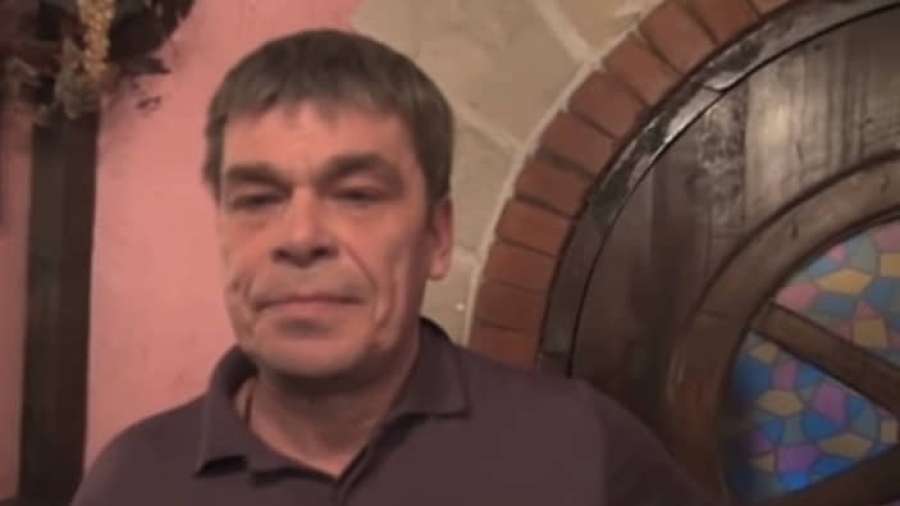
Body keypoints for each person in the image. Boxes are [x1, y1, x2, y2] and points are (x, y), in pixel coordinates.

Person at [72, 29, 715, 505]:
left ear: (437, 237)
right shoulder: (133, 482)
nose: (300, 238)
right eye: (258, 199)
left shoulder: (580, 448)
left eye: (356, 195)